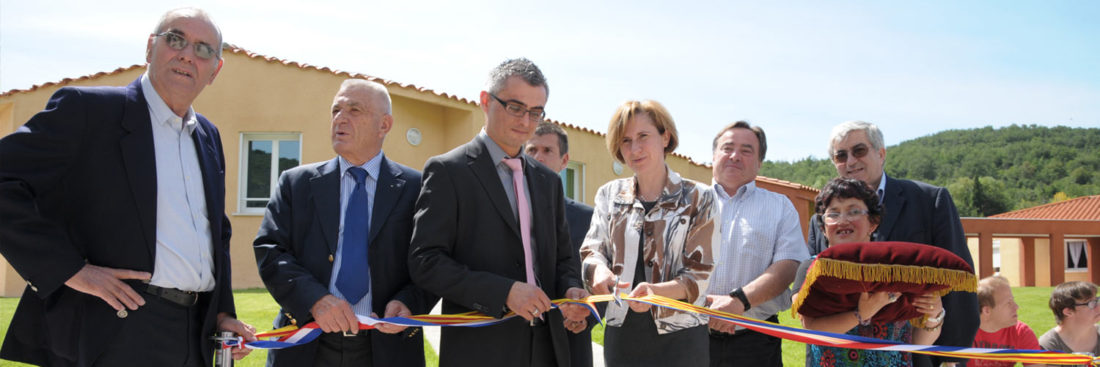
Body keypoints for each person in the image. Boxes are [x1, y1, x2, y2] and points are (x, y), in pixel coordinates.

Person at [0, 8, 255, 366]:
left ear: (215, 69)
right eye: (176, 40)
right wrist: (68, 270)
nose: (186, 54)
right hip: (111, 331)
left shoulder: (208, 136)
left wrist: (221, 315)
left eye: (203, 49)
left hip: (191, 336)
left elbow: (216, 235)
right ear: (150, 47)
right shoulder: (89, 112)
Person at [408, 58, 589, 367]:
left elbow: (563, 259)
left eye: (535, 112)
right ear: (485, 101)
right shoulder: (447, 171)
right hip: (481, 349)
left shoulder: (548, 181)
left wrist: (572, 289)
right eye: (515, 107)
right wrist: (503, 292)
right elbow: (426, 262)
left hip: (549, 347)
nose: (526, 121)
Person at [253, 79, 434, 366]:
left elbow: (431, 260)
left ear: (384, 125)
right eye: (336, 110)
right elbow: (271, 250)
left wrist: (410, 302)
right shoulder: (296, 183)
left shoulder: (417, 188)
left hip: (386, 348)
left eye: (354, 110)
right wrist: (315, 299)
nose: (340, 118)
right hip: (307, 342)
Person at [808, 121, 979, 367]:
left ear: (881, 153)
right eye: (841, 155)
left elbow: (959, 285)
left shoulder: (929, 201)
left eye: (859, 151)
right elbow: (814, 301)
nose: (850, 161)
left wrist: (949, 359)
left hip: (915, 355)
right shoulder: (822, 220)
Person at [580, 100, 719, 367]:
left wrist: (655, 291)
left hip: (682, 338)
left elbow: (700, 274)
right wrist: (598, 271)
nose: (635, 149)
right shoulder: (609, 195)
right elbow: (592, 251)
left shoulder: (700, 197)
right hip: (623, 337)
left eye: (643, 136)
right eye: (626, 141)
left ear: (665, 136)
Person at [793, 178, 944, 367]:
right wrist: (861, 314)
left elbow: (918, 344)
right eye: (833, 213)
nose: (843, 220)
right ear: (823, 228)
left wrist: (934, 314)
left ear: (873, 222)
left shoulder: (899, 268)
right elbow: (811, 328)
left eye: (853, 211)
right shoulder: (811, 269)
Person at [705, 121, 809, 367]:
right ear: (713, 155)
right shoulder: (685, 202)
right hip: (689, 337)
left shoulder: (780, 206)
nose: (735, 156)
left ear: (760, 162)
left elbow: (789, 264)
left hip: (756, 343)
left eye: (746, 150)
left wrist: (739, 301)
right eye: (727, 147)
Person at [525, 122, 596, 367]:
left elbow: (600, 277)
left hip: (569, 341)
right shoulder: (507, 212)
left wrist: (587, 317)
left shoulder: (588, 218)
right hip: (516, 340)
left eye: (547, 151)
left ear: (564, 161)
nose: (538, 157)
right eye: (531, 150)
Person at [970, 275, 1041, 367]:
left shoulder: (1021, 332)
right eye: (1008, 303)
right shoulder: (962, 333)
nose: (1016, 307)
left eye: (1013, 301)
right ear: (987, 310)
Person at [1039, 281, 1100, 363]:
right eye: (1092, 303)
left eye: (1096, 300)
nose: (1098, 307)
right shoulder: (1050, 345)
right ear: (1068, 312)